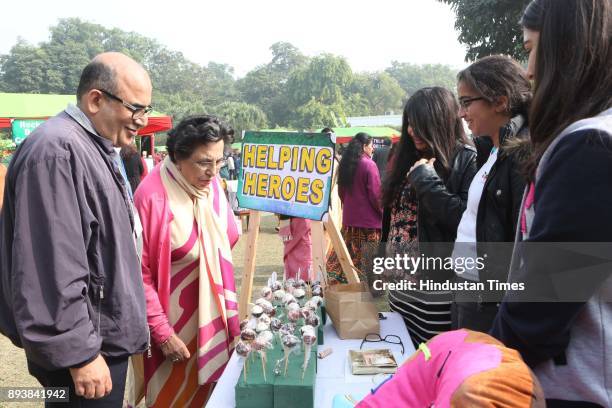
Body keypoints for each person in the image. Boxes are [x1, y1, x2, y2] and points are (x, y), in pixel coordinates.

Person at [0, 52, 151, 405]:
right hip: (86, 351)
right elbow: (51, 265)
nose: (142, 121)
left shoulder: (93, 146)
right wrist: (79, 354)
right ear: (96, 100)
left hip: (98, 338)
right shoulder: (57, 151)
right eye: (136, 109)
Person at [491, 1, 612, 406]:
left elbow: (545, 301)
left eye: (529, 49)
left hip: (572, 391)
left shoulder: (590, 145)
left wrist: (483, 361)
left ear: (568, 49)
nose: (527, 70)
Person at [134, 115, 240, 406]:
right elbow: (136, 274)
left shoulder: (211, 187)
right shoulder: (152, 197)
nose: (213, 171)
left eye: (219, 161)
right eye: (204, 162)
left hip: (214, 325)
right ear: (178, 157)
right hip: (173, 334)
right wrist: (163, 334)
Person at [382, 87, 477, 346]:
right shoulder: (407, 157)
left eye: (418, 123)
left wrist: (426, 181)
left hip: (435, 291)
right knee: (401, 356)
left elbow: (464, 221)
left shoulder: (467, 160)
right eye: (409, 123)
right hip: (400, 286)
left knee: (432, 361)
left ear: (439, 121)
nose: (411, 130)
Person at [451, 54, 532, 332]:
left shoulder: (521, 154)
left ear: (500, 101)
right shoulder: (491, 151)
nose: (461, 114)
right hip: (469, 286)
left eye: (466, 103)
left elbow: (523, 242)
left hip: (487, 298)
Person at [326, 132, 382, 284]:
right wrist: (383, 213)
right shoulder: (369, 165)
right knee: (370, 258)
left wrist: (351, 207)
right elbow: (376, 195)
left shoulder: (346, 164)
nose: (373, 149)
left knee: (351, 255)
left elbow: (341, 192)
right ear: (364, 147)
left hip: (350, 220)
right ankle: (372, 287)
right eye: (371, 146)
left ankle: (351, 284)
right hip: (369, 222)